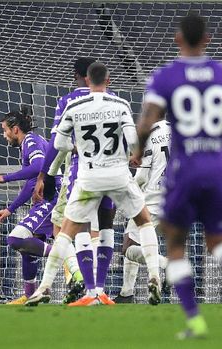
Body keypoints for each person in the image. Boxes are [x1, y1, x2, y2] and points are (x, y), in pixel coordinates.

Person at [131, 13, 222, 339]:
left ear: (178, 39)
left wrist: (136, 152)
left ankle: (195, 322)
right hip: (218, 167)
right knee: (219, 242)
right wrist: (221, 126)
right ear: (207, 39)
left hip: (185, 167)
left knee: (176, 245)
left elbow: (146, 122)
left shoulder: (165, 76)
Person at [26, 62, 162, 307]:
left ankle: (46, 286)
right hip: (118, 174)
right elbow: (132, 141)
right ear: (108, 80)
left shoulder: (72, 104)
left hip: (86, 175)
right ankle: (153, 274)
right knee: (142, 222)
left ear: (87, 80)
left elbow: (58, 144)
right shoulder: (120, 104)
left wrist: (51, 171)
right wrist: (134, 155)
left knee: (67, 231)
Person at [32, 57, 117, 304]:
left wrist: (45, 175)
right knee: (104, 227)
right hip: (113, 172)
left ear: (77, 75)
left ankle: (79, 285)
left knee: (68, 228)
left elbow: (57, 145)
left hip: (80, 174)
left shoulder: (68, 101)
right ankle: (99, 289)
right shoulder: (113, 99)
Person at [0, 107, 62, 305]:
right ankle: (30, 295)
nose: (4, 135)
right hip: (49, 197)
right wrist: (11, 209)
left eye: (5, 130)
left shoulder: (30, 141)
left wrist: (5, 178)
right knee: (28, 247)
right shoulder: (32, 142)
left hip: (52, 198)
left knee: (15, 239)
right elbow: (32, 181)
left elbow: (38, 166)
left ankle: (66, 256)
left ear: (15, 129)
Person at [115, 119, 170, 303]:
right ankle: (126, 292)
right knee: (139, 239)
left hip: (152, 200)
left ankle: (166, 264)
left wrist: (129, 189)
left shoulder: (149, 134)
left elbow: (141, 176)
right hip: (177, 199)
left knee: (128, 246)